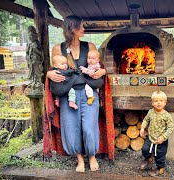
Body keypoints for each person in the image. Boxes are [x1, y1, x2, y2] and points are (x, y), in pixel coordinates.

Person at [44, 15, 111, 173]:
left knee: (89, 127)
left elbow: (99, 67)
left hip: (89, 95)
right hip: (68, 96)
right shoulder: (57, 49)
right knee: (71, 128)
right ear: (71, 29)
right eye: (80, 26)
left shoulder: (90, 46)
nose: (83, 29)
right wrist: (48, 75)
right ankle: (79, 159)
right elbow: (53, 69)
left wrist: (102, 71)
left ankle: (92, 156)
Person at [140, 91, 174, 177]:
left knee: (160, 156)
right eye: (156, 101)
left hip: (161, 140)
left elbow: (170, 128)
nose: (158, 103)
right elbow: (146, 120)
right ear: (152, 103)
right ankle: (148, 158)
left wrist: (163, 137)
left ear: (165, 102)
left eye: (161, 101)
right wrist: (143, 128)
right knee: (145, 149)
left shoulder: (167, 116)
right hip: (150, 137)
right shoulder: (151, 112)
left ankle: (160, 169)